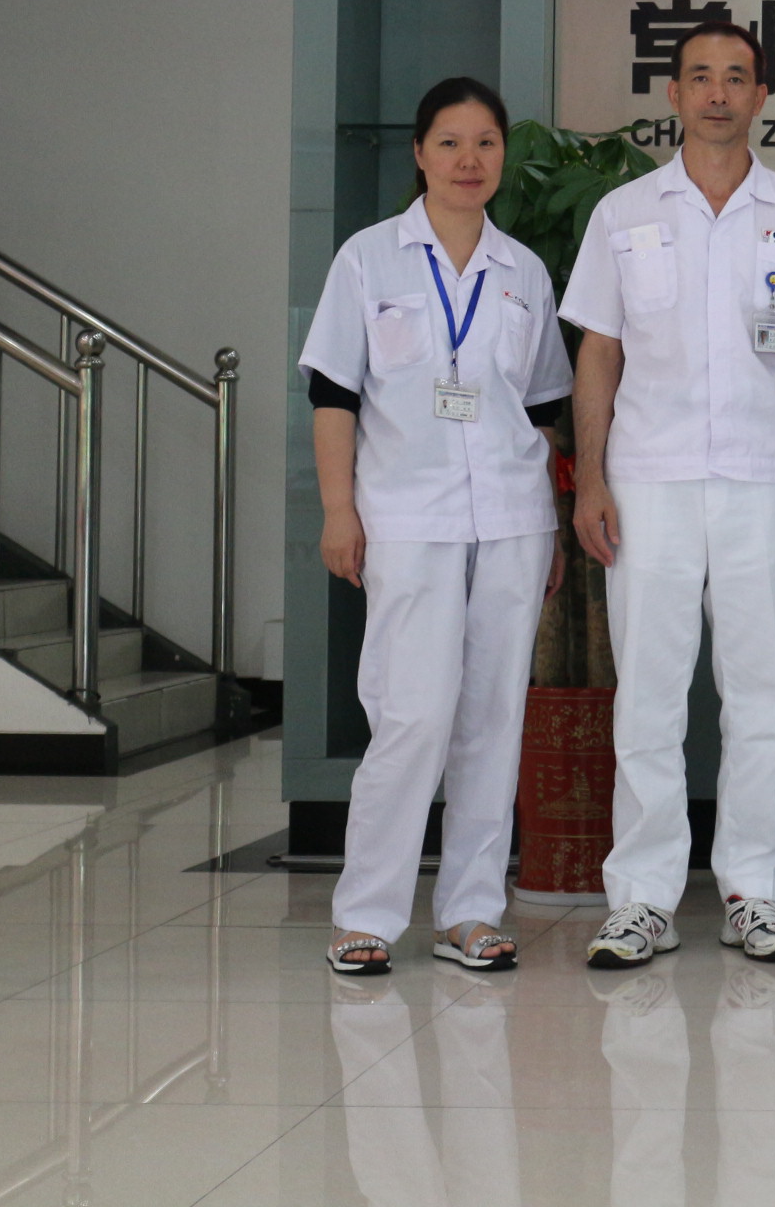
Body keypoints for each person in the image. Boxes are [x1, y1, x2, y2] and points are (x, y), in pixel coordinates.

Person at [563, 22, 775, 967]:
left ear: (762, 96)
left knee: (759, 696)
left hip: (766, 478)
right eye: (700, 77)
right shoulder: (624, 212)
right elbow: (598, 351)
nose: (718, 93)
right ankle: (641, 899)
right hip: (648, 479)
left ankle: (754, 893)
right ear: (674, 94)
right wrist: (590, 476)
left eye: (736, 78)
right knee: (647, 695)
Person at [300, 76, 572, 975]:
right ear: (419, 154)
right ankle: (366, 915)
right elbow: (333, 395)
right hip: (406, 517)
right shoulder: (368, 260)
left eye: (486, 143)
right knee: (411, 715)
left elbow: (543, 410)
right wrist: (338, 510)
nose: (469, 160)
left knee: (493, 718)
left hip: (512, 519)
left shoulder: (523, 271)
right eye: (450, 142)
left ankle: (470, 912)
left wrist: (551, 523)